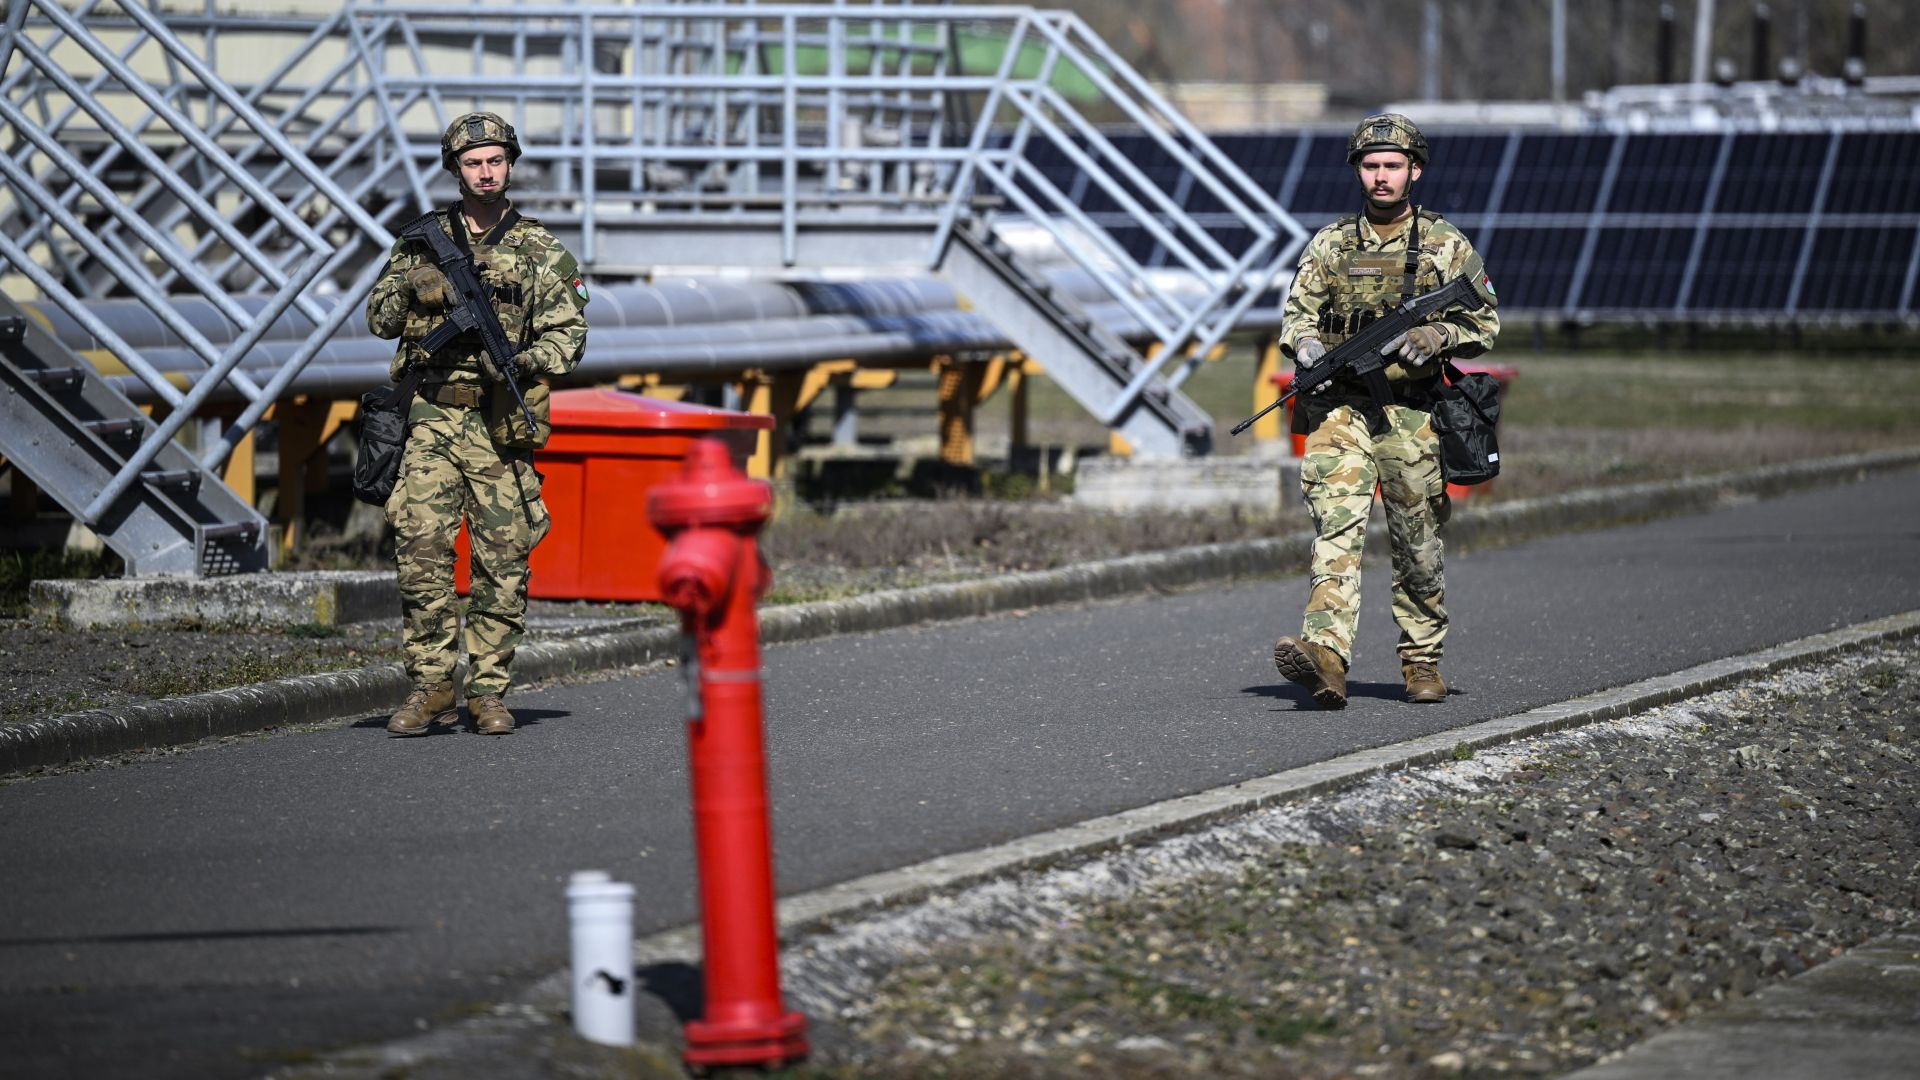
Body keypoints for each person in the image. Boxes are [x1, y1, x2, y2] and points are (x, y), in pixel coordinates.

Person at [366, 112, 589, 735]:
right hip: (432, 415)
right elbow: (378, 317)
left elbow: (569, 335)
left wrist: (522, 360)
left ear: (510, 164)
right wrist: (415, 285)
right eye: (473, 163)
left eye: (495, 161)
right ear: (455, 170)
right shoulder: (421, 240)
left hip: (498, 419)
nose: (485, 173)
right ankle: (431, 686)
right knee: (422, 547)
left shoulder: (541, 248)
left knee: (504, 555)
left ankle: (489, 690)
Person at [1270, 113, 1499, 709]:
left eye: (1392, 165)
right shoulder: (1331, 244)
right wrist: (1307, 343)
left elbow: (1485, 318)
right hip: (1339, 411)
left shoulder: (1446, 245)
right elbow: (1297, 313)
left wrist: (1438, 337)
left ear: (1413, 171)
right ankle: (1326, 659)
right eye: (1370, 165)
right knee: (1335, 535)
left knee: (1417, 544)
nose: (1380, 176)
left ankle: (1422, 661)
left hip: (1411, 412)